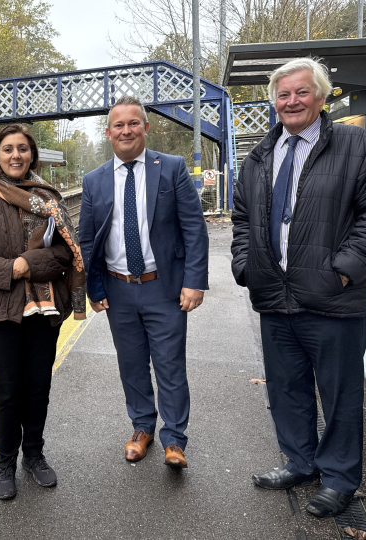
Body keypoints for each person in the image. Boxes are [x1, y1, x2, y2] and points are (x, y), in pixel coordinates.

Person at [231, 58, 366, 518]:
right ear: (274, 101)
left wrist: (343, 270)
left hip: (333, 298)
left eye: (301, 92)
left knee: (340, 394)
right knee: (287, 389)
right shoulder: (260, 155)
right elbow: (243, 219)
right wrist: (247, 266)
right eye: (283, 94)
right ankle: (300, 462)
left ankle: (341, 479)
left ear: (322, 96)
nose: (291, 101)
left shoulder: (359, 145)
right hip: (274, 296)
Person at [78, 95, 208, 469]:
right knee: (131, 365)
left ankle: (175, 439)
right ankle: (142, 427)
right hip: (118, 290)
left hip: (163, 288)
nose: (126, 130)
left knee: (169, 365)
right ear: (108, 133)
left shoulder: (171, 168)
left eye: (133, 123)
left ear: (146, 128)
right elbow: (89, 240)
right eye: (118, 125)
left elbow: (194, 230)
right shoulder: (94, 181)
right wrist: (94, 287)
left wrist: (194, 281)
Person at [0, 124, 86, 500]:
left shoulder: (49, 197)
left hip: (44, 313)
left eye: (23, 149)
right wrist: (13, 269)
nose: (16, 155)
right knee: (8, 393)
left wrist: (27, 263)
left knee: (38, 390)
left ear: (32, 154)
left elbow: (66, 253)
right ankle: (5, 462)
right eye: (8, 149)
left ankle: (34, 454)